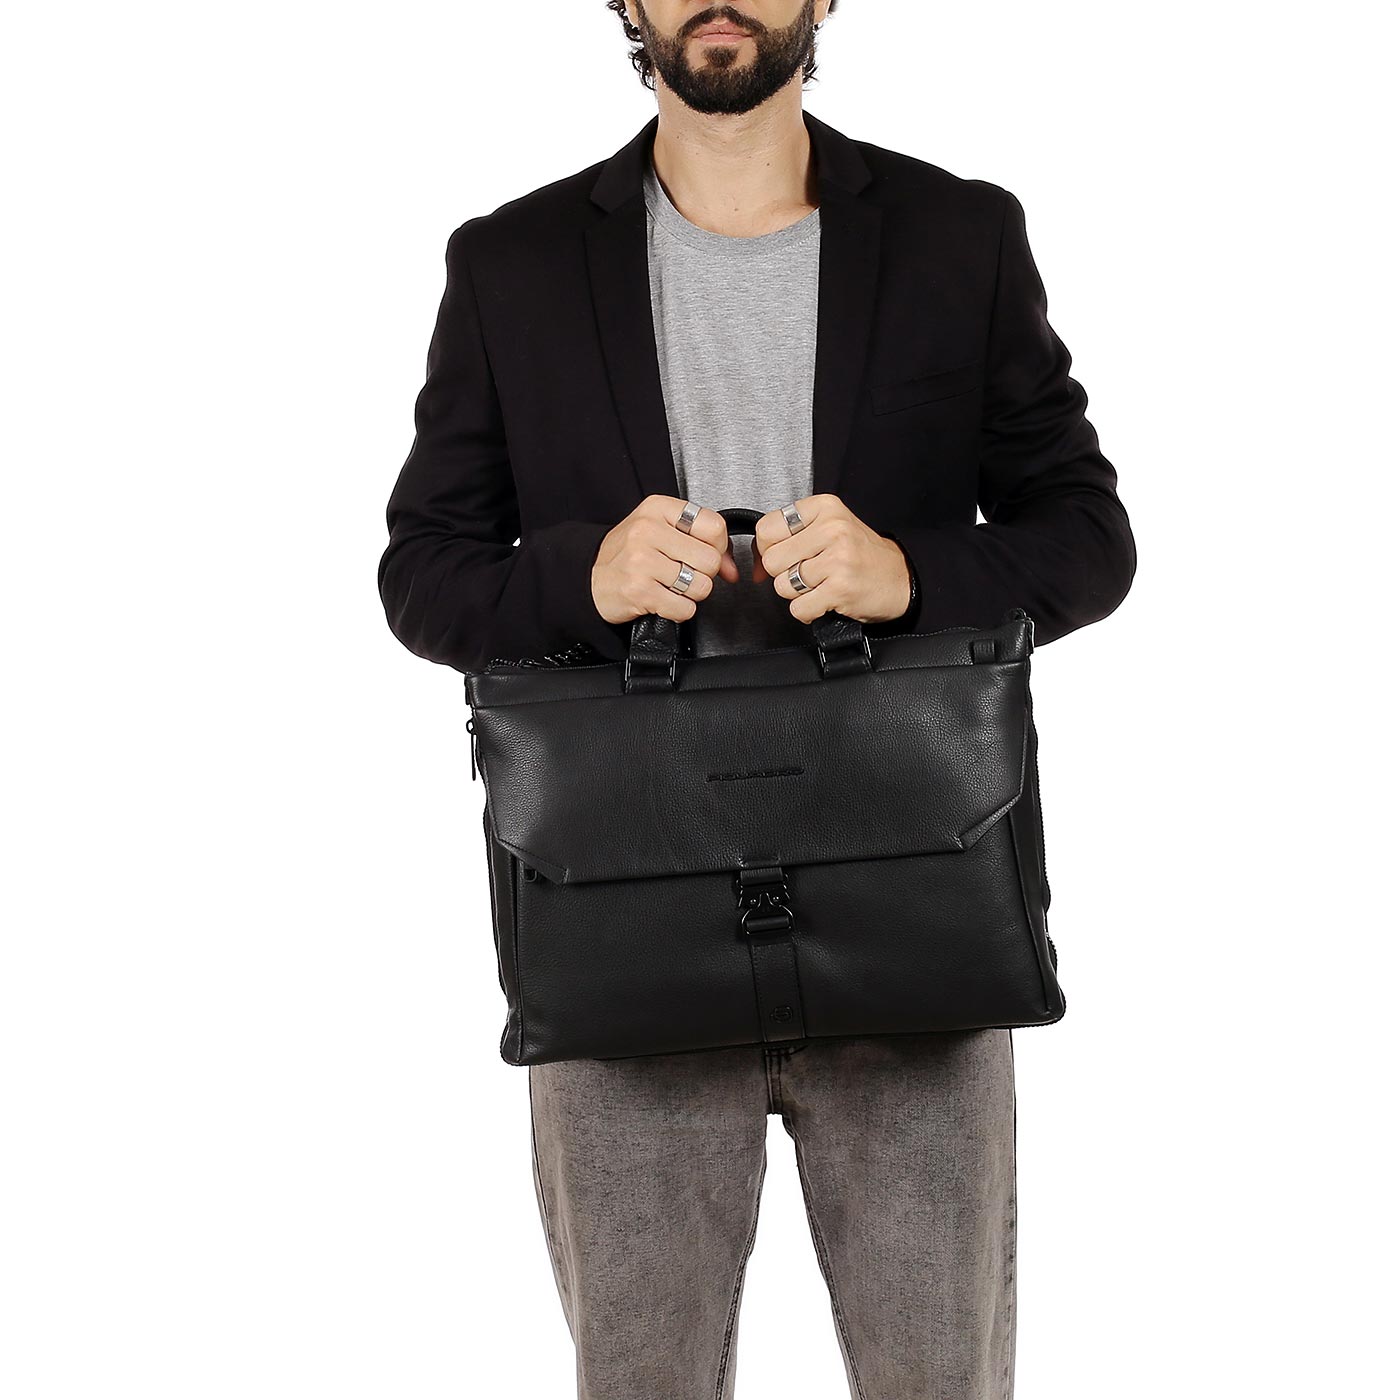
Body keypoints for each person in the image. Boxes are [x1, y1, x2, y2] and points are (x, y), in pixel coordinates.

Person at [377, 2, 1136, 1395]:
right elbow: (422, 576)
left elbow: (1089, 539)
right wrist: (578, 579)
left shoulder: (957, 234)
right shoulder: (512, 264)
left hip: (915, 900)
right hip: (622, 910)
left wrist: (910, 571)